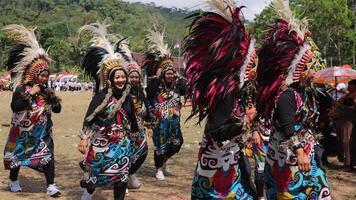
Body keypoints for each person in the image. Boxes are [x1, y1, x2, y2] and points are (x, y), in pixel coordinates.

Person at [184, 1, 259, 199]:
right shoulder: (225, 93)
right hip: (218, 175)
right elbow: (218, 132)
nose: (253, 70)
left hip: (227, 166)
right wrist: (247, 120)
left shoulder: (234, 90)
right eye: (250, 65)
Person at [256, 0, 330, 199]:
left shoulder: (306, 92)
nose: (314, 70)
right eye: (310, 66)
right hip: (288, 155)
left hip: (302, 154)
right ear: (300, 70)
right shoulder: (288, 95)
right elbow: (288, 127)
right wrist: (299, 151)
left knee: (319, 192)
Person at [77, 23, 139, 200]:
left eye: (122, 76)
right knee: (96, 175)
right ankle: (87, 194)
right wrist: (84, 138)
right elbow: (89, 118)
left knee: (121, 178)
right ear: (110, 79)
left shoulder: (127, 97)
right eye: (117, 77)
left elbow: (132, 119)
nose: (121, 80)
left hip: (122, 145)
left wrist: (136, 135)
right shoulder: (100, 97)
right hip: (101, 144)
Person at [2, 24, 62, 197]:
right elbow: (15, 107)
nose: (44, 79)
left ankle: (51, 185)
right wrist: (30, 94)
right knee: (17, 158)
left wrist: (54, 99)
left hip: (43, 133)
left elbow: (57, 110)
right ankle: (13, 180)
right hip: (23, 132)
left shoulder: (47, 91)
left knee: (49, 156)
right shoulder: (21, 89)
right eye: (42, 75)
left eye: (46, 76)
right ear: (34, 75)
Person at [143, 28, 187, 180]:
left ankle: (164, 162)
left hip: (174, 122)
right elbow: (148, 94)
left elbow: (185, 90)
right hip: (159, 122)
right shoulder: (156, 85)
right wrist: (157, 75)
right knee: (160, 146)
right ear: (162, 74)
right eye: (167, 73)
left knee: (177, 143)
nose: (169, 75)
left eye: (171, 73)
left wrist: (178, 76)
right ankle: (159, 169)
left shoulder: (177, 85)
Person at [115, 39, 154, 189]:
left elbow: (147, 108)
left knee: (142, 152)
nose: (134, 79)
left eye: (137, 76)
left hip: (139, 129)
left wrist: (149, 124)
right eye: (131, 76)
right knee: (124, 154)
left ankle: (130, 174)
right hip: (123, 130)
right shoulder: (120, 93)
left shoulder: (140, 92)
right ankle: (123, 178)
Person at [330, 79, 356, 170]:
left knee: (348, 142)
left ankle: (349, 164)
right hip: (342, 121)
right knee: (343, 142)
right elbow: (338, 103)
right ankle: (346, 162)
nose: (348, 87)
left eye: (350, 85)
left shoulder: (354, 96)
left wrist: (344, 108)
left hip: (350, 121)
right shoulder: (347, 95)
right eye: (348, 85)